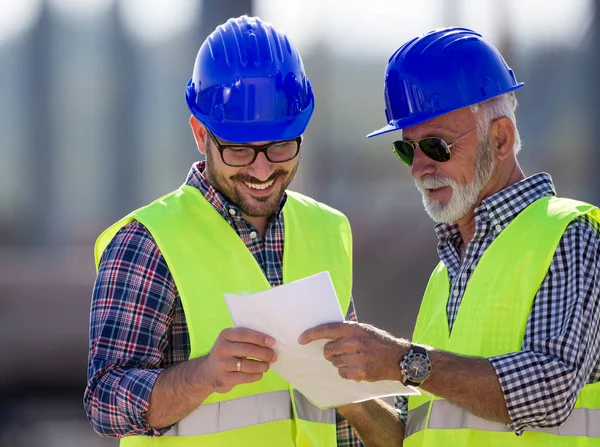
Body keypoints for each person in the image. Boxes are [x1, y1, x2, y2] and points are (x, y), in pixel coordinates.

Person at [84, 15, 402, 447]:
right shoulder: (147, 242)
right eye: (238, 150)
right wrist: (204, 375)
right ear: (201, 133)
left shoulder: (328, 230)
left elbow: (342, 424)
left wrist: (355, 391)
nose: (262, 169)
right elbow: (105, 402)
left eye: (280, 146)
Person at [299, 27, 600, 446]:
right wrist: (346, 393)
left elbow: (551, 389)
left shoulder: (570, 236)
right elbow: (420, 435)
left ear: (501, 139)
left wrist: (402, 360)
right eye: (407, 149)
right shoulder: (445, 276)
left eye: (436, 146)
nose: (418, 168)